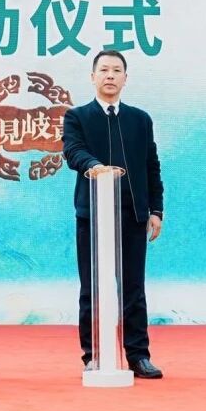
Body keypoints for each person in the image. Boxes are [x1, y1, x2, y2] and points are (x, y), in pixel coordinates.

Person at [61, 50, 165, 380]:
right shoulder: (77, 116)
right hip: (92, 215)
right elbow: (72, 152)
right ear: (93, 77)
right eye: (103, 70)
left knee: (133, 287)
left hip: (132, 215)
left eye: (116, 70)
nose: (110, 75)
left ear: (125, 78)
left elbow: (151, 165)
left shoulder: (140, 119)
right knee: (92, 286)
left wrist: (156, 209)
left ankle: (138, 355)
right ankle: (94, 354)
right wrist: (95, 166)